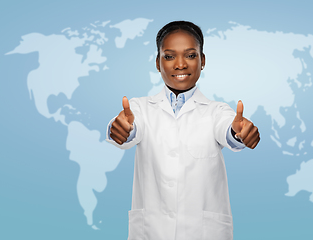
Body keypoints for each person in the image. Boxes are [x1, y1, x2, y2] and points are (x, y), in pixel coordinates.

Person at [106, 20, 260, 240]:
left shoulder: (216, 111)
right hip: (151, 231)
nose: (180, 64)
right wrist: (121, 129)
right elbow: (130, 127)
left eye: (190, 55)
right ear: (158, 63)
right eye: (169, 56)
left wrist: (239, 133)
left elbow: (227, 128)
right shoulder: (140, 108)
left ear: (202, 60)